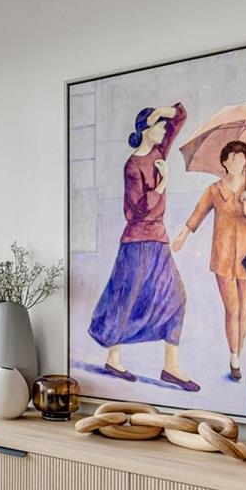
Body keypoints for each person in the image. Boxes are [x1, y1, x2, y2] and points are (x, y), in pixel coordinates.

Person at [87, 103, 200, 392]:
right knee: (126, 298)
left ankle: (171, 366)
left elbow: (180, 117)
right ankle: (113, 359)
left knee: (177, 296)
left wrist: (161, 111)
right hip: (136, 241)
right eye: (159, 125)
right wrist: (163, 183)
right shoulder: (132, 166)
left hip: (159, 239)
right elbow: (140, 208)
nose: (164, 130)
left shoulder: (159, 152)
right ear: (147, 130)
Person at [172, 139, 246, 382]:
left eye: (242, 157)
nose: (238, 161)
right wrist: (182, 236)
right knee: (232, 309)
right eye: (233, 157)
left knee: (245, 310)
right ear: (224, 162)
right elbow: (197, 214)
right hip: (223, 257)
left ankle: (239, 353)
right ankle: (233, 356)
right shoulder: (214, 189)